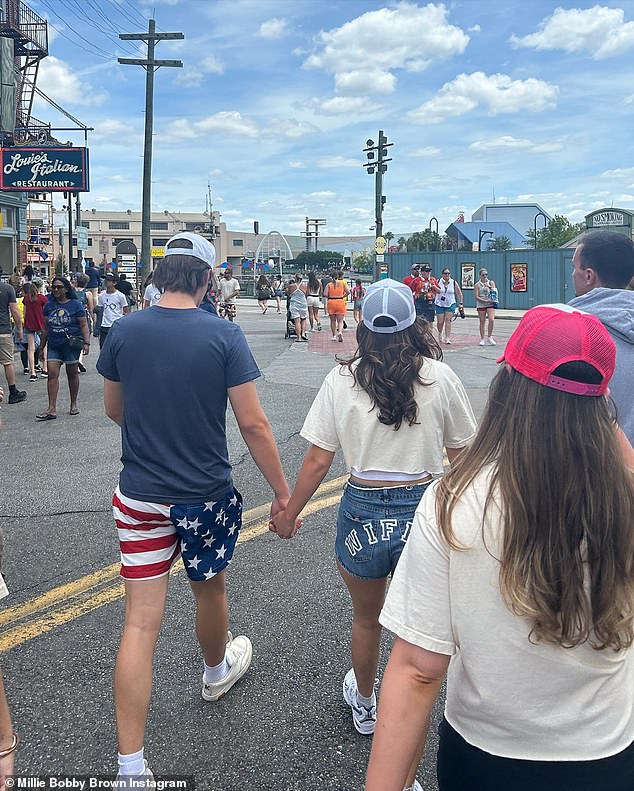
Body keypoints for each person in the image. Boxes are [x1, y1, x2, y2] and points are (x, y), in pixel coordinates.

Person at [366, 305, 634, 791]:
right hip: (608, 754)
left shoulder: (454, 501)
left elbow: (418, 673)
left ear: (506, 386)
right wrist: (592, 406)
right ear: (604, 402)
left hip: (485, 755)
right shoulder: (624, 500)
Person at [96, 231, 295, 785]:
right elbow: (253, 424)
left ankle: (130, 768)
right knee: (210, 588)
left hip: (139, 494)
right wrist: (282, 493)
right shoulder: (224, 335)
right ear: (208, 281)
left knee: (139, 623)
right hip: (203, 494)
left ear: (161, 276)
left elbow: (116, 409)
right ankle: (214, 670)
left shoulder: (125, 332)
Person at [271, 280, 476, 776]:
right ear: (415, 326)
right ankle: (412, 722)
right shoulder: (439, 377)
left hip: (362, 506)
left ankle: (365, 703)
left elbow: (319, 459)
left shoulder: (341, 380)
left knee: (366, 619)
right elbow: (464, 456)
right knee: (419, 633)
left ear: (362, 326)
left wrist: (290, 512)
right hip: (423, 512)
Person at [569, 230, 634, 443]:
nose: (572, 275)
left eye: (574, 267)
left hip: (592, 472)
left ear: (589, 276)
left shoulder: (569, 333)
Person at [37, 276, 90, 421]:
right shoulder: (49, 306)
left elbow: (84, 325)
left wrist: (87, 343)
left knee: (72, 373)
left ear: (66, 289)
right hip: (54, 344)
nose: (55, 289)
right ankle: (51, 408)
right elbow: (45, 328)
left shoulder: (75, 305)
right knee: (52, 374)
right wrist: (41, 347)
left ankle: (73, 403)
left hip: (71, 345)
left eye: (59, 287)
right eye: (54, 287)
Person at [0, 279, 26, 404]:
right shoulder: (7, 289)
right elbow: (15, 311)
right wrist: (19, 328)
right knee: (8, 362)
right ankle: (13, 392)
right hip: (3, 330)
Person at [22, 280, 47, 380]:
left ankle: (33, 372)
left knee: (30, 348)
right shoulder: (42, 298)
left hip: (29, 324)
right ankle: (45, 368)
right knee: (44, 346)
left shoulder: (26, 299)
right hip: (41, 324)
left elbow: (24, 313)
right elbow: (46, 312)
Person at [98, 274, 129, 349]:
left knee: (116, 346)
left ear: (114, 283)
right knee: (103, 347)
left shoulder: (120, 296)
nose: (106, 282)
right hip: (104, 325)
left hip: (116, 324)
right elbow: (100, 310)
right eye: (106, 280)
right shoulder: (101, 296)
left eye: (109, 280)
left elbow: (126, 310)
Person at [435, 268, 463, 345]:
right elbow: (434, 291)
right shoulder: (438, 281)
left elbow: (459, 293)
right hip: (440, 303)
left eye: (448, 273)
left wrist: (460, 303)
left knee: (448, 320)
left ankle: (447, 337)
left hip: (450, 303)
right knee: (440, 322)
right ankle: (440, 334)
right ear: (442, 274)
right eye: (445, 273)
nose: (447, 275)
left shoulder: (453, 282)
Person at [324, 271, 349, 342]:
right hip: (340, 302)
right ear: (338, 277)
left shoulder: (329, 285)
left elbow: (325, 294)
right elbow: (348, 292)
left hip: (331, 302)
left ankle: (334, 336)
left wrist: (331, 295)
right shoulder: (342, 284)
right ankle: (340, 332)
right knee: (340, 321)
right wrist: (342, 296)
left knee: (332, 321)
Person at [475, 267, 497, 345]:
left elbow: (494, 292)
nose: (485, 276)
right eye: (483, 275)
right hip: (481, 304)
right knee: (482, 321)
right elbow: (476, 296)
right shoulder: (477, 284)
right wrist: (484, 301)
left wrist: (490, 287)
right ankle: (482, 338)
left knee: (491, 319)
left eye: (486, 274)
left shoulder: (491, 282)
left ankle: (490, 336)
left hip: (490, 303)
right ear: (480, 276)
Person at [287, 273, 308, 342]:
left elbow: (289, 294)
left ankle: (298, 337)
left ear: (295, 278)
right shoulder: (305, 286)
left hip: (294, 304)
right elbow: (306, 294)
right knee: (303, 319)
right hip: (303, 304)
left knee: (297, 321)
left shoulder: (291, 286)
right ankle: (303, 334)